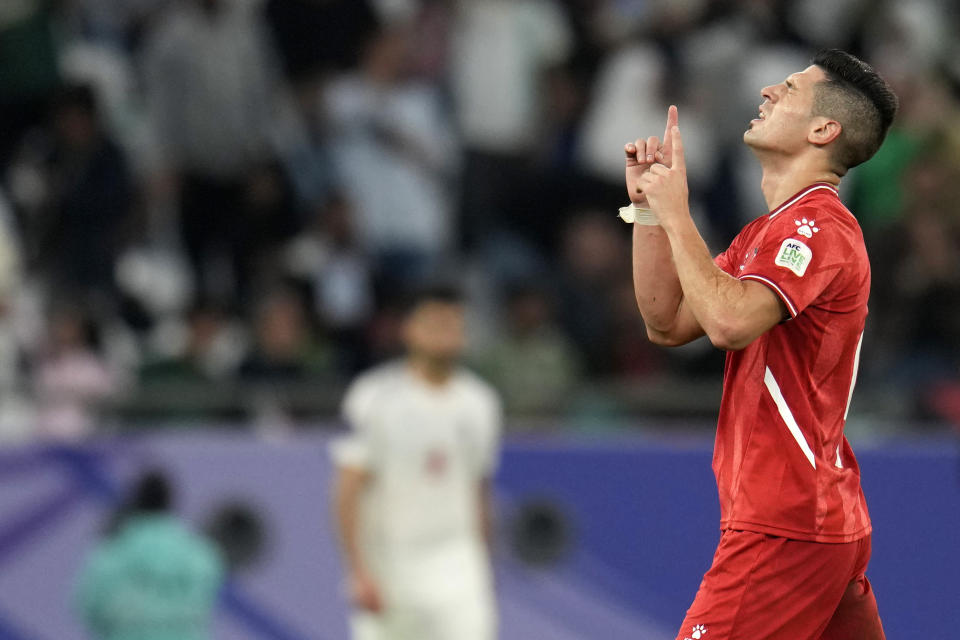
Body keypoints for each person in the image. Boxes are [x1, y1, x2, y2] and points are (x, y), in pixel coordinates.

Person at [624, 49, 897, 639]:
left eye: (792, 88)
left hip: (786, 523)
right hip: (815, 517)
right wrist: (649, 212)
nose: (768, 88)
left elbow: (727, 323)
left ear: (824, 130)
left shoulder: (818, 228)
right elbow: (667, 322)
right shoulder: (767, 234)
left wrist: (679, 216)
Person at [330, 284, 501, 640]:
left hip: (457, 566)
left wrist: (482, 562)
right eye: (434, 322)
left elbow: (478, 488)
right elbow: (348, 489)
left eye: (453, 324)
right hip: (390, 564)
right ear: (409, 330)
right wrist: (358, 570)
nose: (445, 332)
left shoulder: (481, 402)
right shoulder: (373, 397)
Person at [75, 471, 225, 640]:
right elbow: (205, 602)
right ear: (170, 503)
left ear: (136, 502)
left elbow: (90, 608)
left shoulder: (113, 551)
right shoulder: (199, 554)